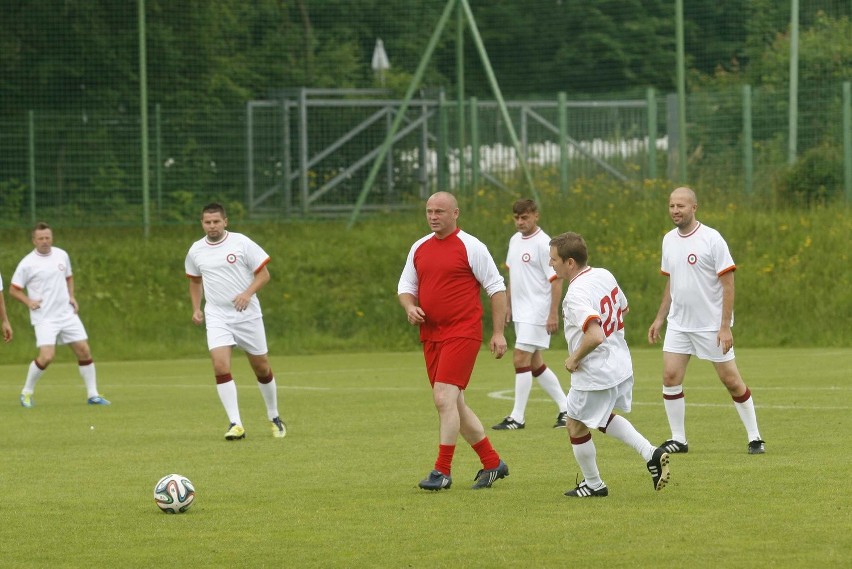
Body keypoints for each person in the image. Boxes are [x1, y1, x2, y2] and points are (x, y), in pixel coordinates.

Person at [398, 191, 510, 491]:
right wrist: (410, 307)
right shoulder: (419, 247)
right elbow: (405, 287)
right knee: (455, 405)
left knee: (443, 398)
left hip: (463, 332)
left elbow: (496, 289)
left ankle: (442, 471)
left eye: (440, 211)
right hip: (432, 335)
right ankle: (492, 462)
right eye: (429, 211)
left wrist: (498, 333)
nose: (433, 216)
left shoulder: (471, 246)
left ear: (455, 213)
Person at [549, 231, 670, 497]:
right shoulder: (603, 274)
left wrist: (573, 358)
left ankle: (594, 484)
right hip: (620, 363)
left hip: (595, 371)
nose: (551, 264)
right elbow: (623, 309)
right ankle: (651, 453)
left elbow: (594, 335)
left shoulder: (575, 294)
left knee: (574, 423)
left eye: (554, 259)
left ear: (570, 263)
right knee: (600, 417)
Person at [647, 187, 765, 455]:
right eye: (671, 206)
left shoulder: (712, 239)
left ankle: (755, 436)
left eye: (681, 206)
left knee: (732, 381)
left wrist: (725, 326)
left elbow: (728, 283)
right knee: (670, 377)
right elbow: (671, 283)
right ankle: (678, 439)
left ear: (694, 208)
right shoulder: (668, 240)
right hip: (679, 324)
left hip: (710, 326)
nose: (675, 211)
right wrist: (659, 318)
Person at [185, 203, 286, 440]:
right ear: (202, 223)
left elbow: (264, 275)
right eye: (207, 222)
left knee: (261, 367)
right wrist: (196, 308)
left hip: (247, 314)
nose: (212, 226)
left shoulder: (241, 243)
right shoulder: (196, 250)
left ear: (225, 222)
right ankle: (235, 423)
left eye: (216, 222)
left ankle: (274, 416)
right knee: (220, 366)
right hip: (217, 315)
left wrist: (247, 294)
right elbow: (194, 281)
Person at [10, 222, 110, 407]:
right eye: (40, 238)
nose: (45, 241)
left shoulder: (62, 255)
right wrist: (29, 301)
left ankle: (93, 395)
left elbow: (68, 277)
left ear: (52, 238)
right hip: (45, 317)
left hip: (66, 313)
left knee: (84, 350)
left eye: (47, 237)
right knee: (47, 356)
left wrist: (71, 296)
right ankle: (26, 393)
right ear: (34, 240)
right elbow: (14, 290)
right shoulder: (27, 264)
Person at [493, 199, 568, 430]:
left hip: (538, 312)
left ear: (535, 215)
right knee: (535, 364)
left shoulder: (544, 243)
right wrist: (507, 305)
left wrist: (552, 313)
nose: (520, 222)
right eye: (516, 218)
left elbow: (556, 281)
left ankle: (518, 417)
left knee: (520, 358)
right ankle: (567, 410)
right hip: (521, 312)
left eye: (524, 217)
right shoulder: (514, 241)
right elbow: (513, 277)